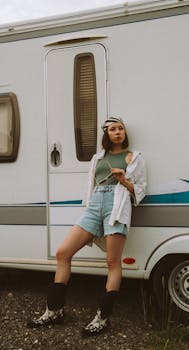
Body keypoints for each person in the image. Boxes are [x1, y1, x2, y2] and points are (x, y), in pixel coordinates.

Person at [27, 117, 147, 336]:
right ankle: (54, 311)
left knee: (112, 262)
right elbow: (91, 185)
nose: (118, 132)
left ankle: (102, 318)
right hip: (95, 204)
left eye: (121, 129)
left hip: (116, 206)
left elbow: (140, 189)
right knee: (63, 253)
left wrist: (124, 180)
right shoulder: (97, 158)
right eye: (113, 129)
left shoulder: (134, 157)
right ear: (106, 134)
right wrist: (90, 204)